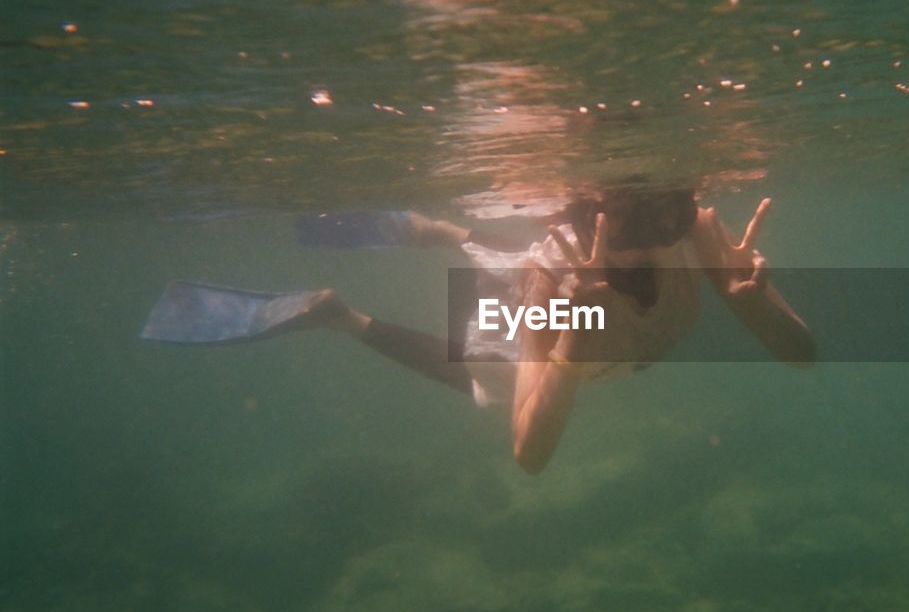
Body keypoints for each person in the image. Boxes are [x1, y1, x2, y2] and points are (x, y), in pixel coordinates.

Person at [142, 187, 815, 474]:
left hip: (596, 331)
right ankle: (336, 314)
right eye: (625, 224)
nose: (649, 240)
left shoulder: (692, 226)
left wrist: (750, 301)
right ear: (590, 216)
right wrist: (573, 331)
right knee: (475, 368)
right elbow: (528, 453)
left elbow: (801, 357)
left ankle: (446, 231)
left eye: (661, 218)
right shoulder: (550, 279)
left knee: (510, 268)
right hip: (541, 323)